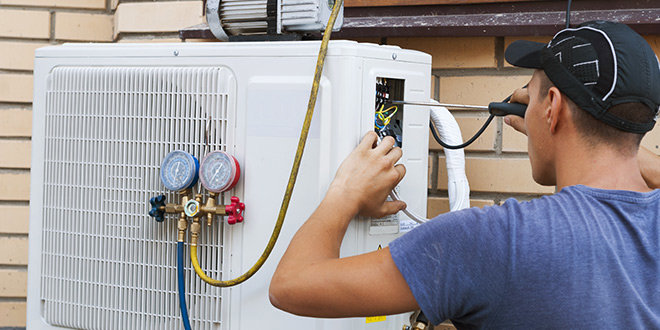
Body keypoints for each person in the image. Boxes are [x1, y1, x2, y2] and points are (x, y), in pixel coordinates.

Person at [269, 20, 660, 328]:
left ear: (552, 107)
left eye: (537, 93)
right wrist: (596, 134)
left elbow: (291, 286)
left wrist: (345, 192)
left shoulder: (492, 241)